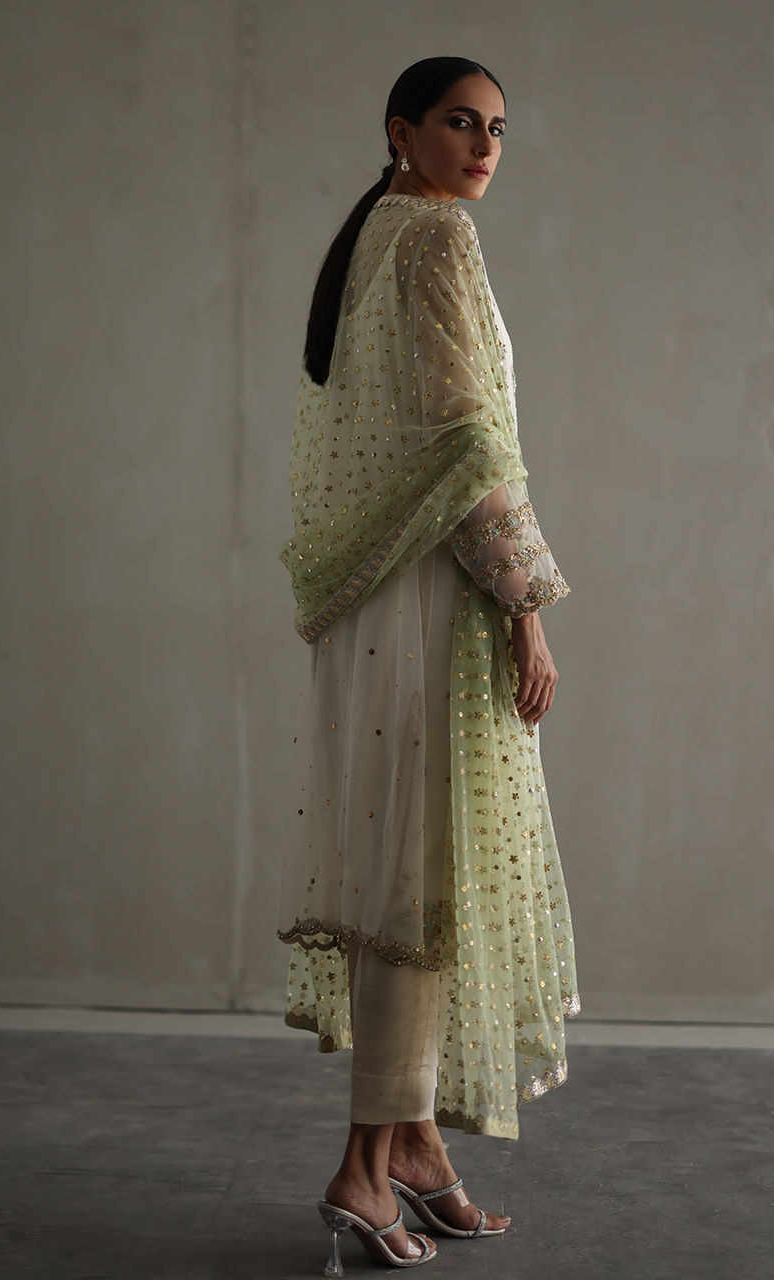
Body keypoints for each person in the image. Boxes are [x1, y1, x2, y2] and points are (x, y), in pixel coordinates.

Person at [276, 56, 580, 1272]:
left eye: (498, 128)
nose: (486, 145)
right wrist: (527, 605)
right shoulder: (438, 238)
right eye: (462, 122)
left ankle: (415, 1146)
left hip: (382, 599)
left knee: (415, 869)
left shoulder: (376, 239)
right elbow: (465, 438)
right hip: (438, 596)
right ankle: (364, 1164)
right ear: (402, 130)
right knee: (425, 878)